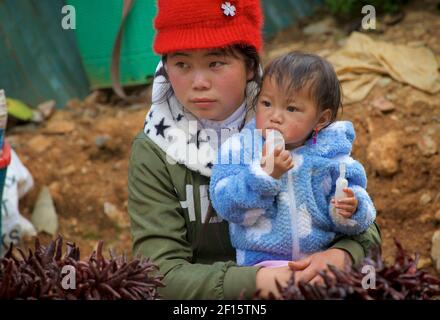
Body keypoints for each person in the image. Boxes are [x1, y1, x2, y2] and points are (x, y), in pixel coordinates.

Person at [128, 0, 381, 299]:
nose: (199, 82)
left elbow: (366, 229)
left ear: (250, 66)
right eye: (182, 64)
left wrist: (341, 256)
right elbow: (159, 274)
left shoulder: (291, 121)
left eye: (216, 63)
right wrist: (261, 282)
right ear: (166, 68)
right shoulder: (156, 151)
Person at [210, 52, 377, 268]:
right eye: (267, 103)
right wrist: (264, 176)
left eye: (291, 108)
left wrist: (351, 210)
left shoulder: (332, 156)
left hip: (320, 263)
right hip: (261, 267)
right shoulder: (240, 148)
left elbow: (361, 214)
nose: (275, 116)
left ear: (321, 119)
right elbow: (226, 206)